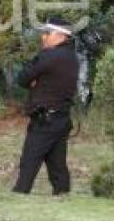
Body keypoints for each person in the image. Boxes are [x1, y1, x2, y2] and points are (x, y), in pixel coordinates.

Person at [12, 17, 79, 195]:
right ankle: (63, 200)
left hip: (44, 121)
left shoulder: (49, 56)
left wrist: (35, 80)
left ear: (60, 36)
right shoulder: (72, 57)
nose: (43, 37)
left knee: (28, 164)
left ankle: (17, 199)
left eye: (47, 33)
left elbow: (22, 78)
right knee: (58, 169)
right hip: (62, 119)